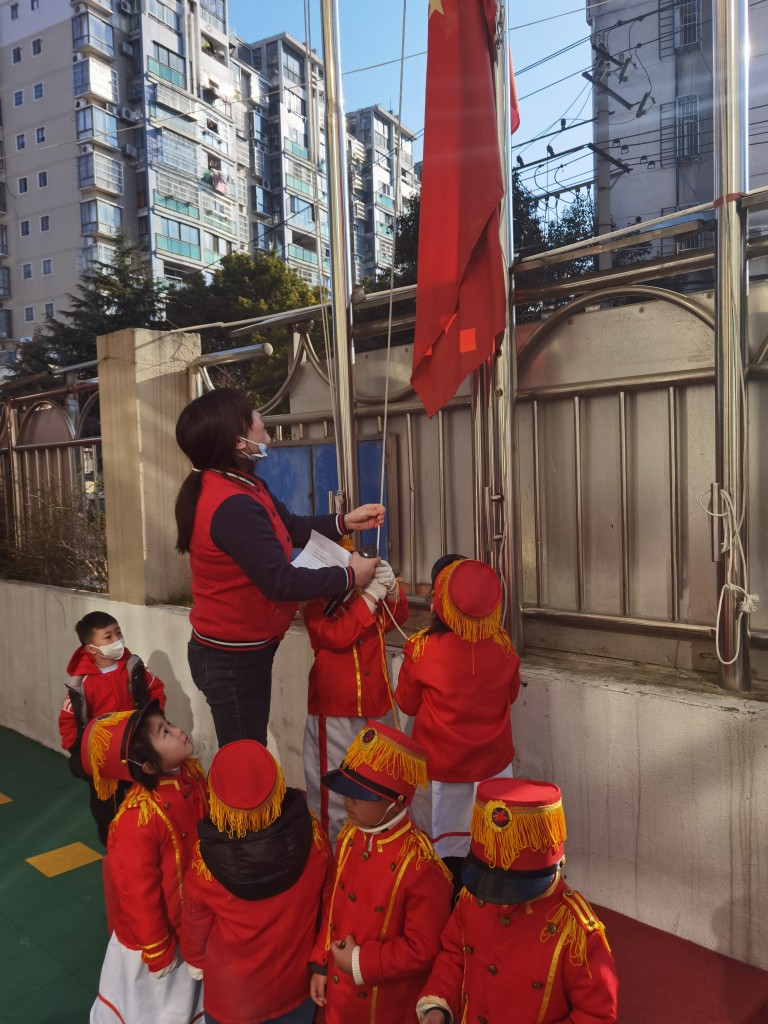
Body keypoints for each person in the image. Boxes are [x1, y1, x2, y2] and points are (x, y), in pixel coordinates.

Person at [174, 387, 383, 746]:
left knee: (247, 749)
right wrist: (351, 576)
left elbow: (290, 527)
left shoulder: (242, 484)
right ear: (238, 441)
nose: (260, 418)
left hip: (243, 649)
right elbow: (281, 582)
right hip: (231, 657)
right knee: (245, 757)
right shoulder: (232, 504)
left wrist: (345, 522)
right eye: (251, 415)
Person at [416, 778, 619, 1024]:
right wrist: (438, 1005)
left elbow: (596, 1015)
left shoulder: (577, 933)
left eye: (512, 885)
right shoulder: (473, 899)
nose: (501, 899)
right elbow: (455, 954)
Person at [180, 740, 334, 1024]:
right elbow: (330, 905)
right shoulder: (314, 836)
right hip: (295, 988)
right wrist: (321, 961)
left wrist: (196, 960)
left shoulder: (206, 861)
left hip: (232, 1000)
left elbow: (194, 922)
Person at [309, 720, 453, 1024]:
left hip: (383, 1006)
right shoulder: (349, 835)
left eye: (360, 795)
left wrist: (359, 962)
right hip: (338, 995)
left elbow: (422, 949)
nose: (347, 801)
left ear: (396, 803)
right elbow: (334, 906)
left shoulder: (421, 865)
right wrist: (321, 963)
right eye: (346, 791)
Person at [394, 556, 521, 889]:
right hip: (492, 768)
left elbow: (406, 704)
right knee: (488, 849)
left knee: (440, 855)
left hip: (441, 771)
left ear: (439, 601)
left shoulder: (421, 648)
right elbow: (511, 696)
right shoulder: (504, 645)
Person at [81, 702, 208, 1024]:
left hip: (194, 921)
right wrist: (157, 949)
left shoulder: (191, 776)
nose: (178, 731)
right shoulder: (136, 818)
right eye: (164, 732)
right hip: (160, 940)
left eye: (169, 723)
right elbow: (137, 893)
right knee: (157, 1010)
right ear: (148, 766)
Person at [302, 550, 409, 843]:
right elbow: (337, 635)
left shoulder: (363, 595)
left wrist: (392, 588)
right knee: (335, 796)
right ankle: (335, 857)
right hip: (336, 711)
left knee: (382, 787)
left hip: (377, 706)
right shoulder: (314, 603)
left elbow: (397, 617)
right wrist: (372, 596)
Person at [58, 610, 167, 846]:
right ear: (91, 649)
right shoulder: (81, 683)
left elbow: (156, 690)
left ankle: (150, 843)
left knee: (148, 795)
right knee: (107, 806)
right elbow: (68, 719)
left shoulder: (134, 666)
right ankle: (114, 846)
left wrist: (155, 722)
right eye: (108, 636)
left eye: (118, 632)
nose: (117, 639)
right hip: (104, 758)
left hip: (138, 746)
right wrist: (78, 750)